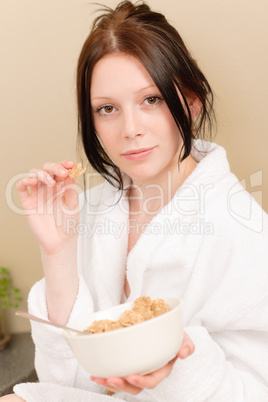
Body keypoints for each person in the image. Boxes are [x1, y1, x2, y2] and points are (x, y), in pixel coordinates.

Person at [2, 1, 268, 401]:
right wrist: (57, 251)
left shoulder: (243, 230)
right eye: (107, 109)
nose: (130, 129)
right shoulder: (91, 209)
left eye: (152, 100)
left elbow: (256, 388)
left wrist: (180, 363)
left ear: (191, 102)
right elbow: (62, 379)